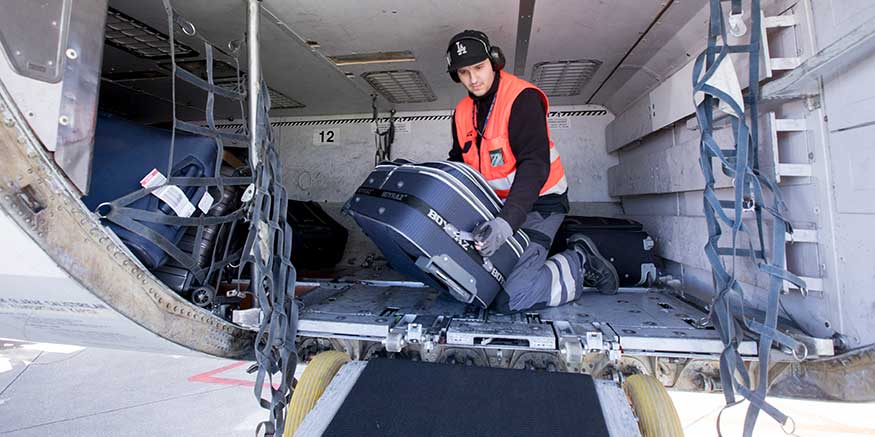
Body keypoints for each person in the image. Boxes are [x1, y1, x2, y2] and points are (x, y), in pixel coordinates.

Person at [445, 29, 619, 312]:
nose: (473, 79)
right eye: (464, 72)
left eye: (479, 67)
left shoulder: (521, 99)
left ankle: (579, 261)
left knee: (512, 298)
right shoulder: (462, 111)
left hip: (540, 205)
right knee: (481, 287)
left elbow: (534, 165)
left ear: (494, 61)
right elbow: (458, 163)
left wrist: (505, 224)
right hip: (499, 208)